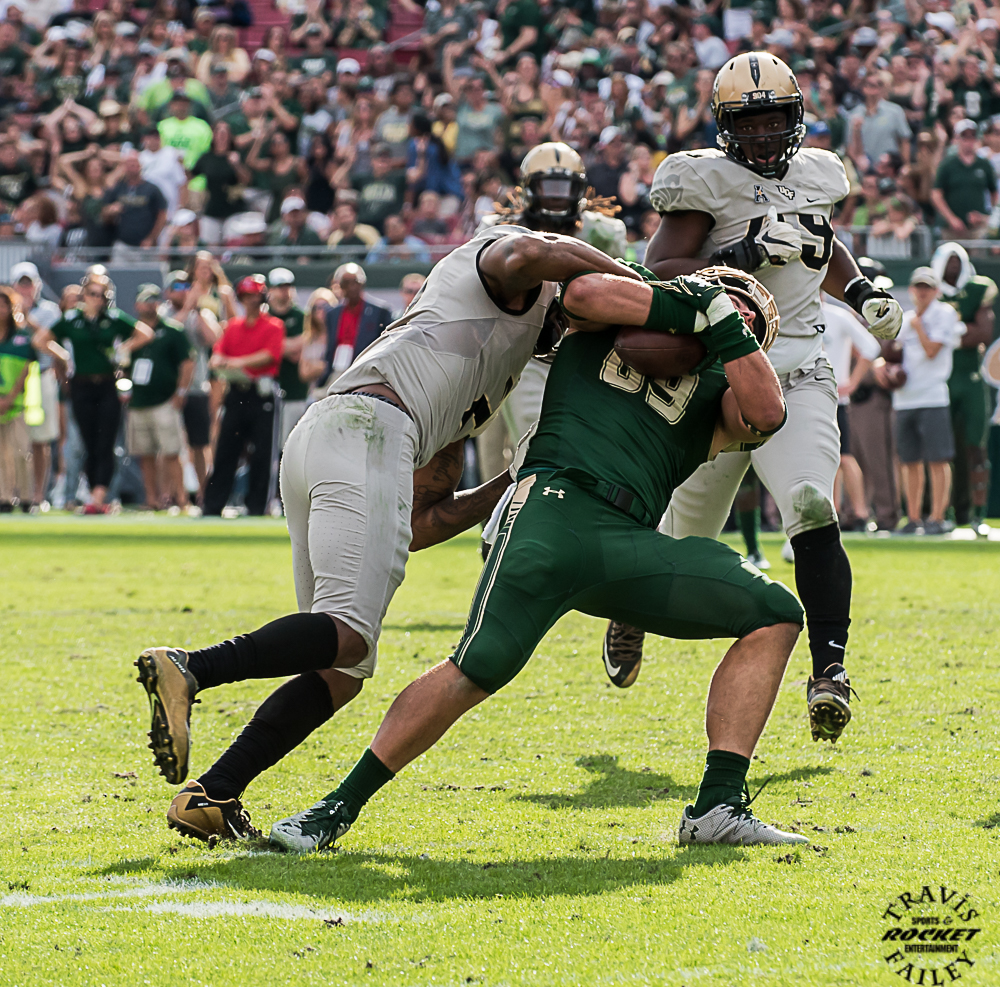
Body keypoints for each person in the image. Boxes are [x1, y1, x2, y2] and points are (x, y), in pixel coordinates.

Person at [268, 265, 808, 853]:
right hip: (551, 507)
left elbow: (767, 414)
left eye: (753, 321)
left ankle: (718, 807)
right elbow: (582, 292)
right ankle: (334, 807)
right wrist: (689, 307)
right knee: (477, 666)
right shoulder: (623, 307)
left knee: (774, 612)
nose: (740, 311)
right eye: (732, 297)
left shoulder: (726, 386)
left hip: (630, 538)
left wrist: (725, 324)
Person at [136, 226, 637, 841]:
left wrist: (510, 481)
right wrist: (637, 283)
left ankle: (212, 795)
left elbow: (420, 521)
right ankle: (191, 667)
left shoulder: (497, 363)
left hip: (339, 433)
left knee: (341, 666)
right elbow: (533, 250)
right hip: (371, 428)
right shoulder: (513, 277)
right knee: (347, 634)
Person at [605, 52, 903, 745]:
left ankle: (829, 669)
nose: (765, 134)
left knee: (811, 501)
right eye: (750, 123)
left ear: (795, 118)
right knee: (684, 538)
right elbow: (660, 269)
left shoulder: (817, 174)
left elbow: (820, 244)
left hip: (799, 367)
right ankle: (632, 607)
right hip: (723, 376)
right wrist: (739, 253)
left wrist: (861, 292)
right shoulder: (704, 181)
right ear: (725, 126)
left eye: (775, 120)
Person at [35, 272, 154, 513]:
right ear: (84, 295)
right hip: (81, 385)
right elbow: (40, 340)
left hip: (107, 384)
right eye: (92, 294)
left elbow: (145, 334)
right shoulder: (72, 319)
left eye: (102, 295)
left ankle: (99, 496)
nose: (97, 299)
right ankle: (93, 494)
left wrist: (124, 348)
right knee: (88, 442)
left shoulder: (113, 318)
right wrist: (62, 355)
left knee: (106, 442)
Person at [201, 275, 285, 518]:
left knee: (263, 453)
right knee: (226, 450)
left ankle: (258, 506)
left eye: (255, 296)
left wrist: (235, 362)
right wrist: (228, 363)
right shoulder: (233, 326)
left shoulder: (274, 325)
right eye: (246, 296)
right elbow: (216, 356)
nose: (251, 300)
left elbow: (269, 355)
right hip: (236, 392)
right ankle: (212, 505)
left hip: (262, 393)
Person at [931, 242, 996, 535]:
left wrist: (946, 335)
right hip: (940, 379)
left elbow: (984, 333)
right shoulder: (930, 290)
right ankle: (941, 512)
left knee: (976, 447)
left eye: (958, 261)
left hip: (969, 377)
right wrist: (959, 332)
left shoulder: (978, 289)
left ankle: (977, 514)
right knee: (940, 452)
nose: (954, 267)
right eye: (949, 262)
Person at [894, 267, 964, 536]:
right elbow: (892, 352)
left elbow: (933, 350)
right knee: (909, 461)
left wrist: (919, 327)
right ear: (912, 290)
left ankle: (937, 516)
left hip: (933, 396)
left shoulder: (943, 314)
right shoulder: (906, 317)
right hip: (904, 398)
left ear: (936, 291)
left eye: (927, 287)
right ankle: (913, 518)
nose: (922, 292)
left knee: (938, 459)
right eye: (918, 287)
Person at [128, 284, 195, 512]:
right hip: (139, 401)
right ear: (137, 304)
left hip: (165, 400)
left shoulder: (172, 330)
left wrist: (181, 392)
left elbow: (187, 363)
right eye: (146, 301)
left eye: (154, 300)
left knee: (171, 452)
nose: (150, 305)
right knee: (145, 454)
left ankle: (182, 500)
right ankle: (152, 500)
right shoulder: (131, 331)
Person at [819, 296, 881, 529]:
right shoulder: (797, 315)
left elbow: (871, 347)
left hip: (836, 400)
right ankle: (833, 511)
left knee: (843, 456)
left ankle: (861, 513)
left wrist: (852, 383)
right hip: (811, 399)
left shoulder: (838, 316)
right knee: (827, 458)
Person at [160, 269, 220, 507]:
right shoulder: (163, 313)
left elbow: (215, 339)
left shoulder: (201, 314)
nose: (184, 292)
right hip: (168, 389)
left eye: (187, 288)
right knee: (168, 446)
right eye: (178, 288)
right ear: (168, 292)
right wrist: (187, 309)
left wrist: (198, 310)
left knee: (200, 444)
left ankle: (204, 495)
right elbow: (169, 331)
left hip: (196, 388)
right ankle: (169, 496)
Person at [11, 262, 62, 509]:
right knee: (12, 439)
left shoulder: (50, 311)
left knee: (40, 440)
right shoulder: (4, 310)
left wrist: (25, 318)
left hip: (40, 376)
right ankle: (13, 491)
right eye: (21, 284)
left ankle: (38, 494)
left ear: (37, 285)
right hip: (11, 379)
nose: (25, 289)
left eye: (29, 284)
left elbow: (49, 342)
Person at [322, 263, 391, 381]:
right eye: (346, 283)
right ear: (340, 285)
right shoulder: (333, 313)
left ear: (362, 284)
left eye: (355, 282)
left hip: (366, 372)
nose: (351, 287)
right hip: (337, 370)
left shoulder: (379, 311)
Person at [931, 119, 998, 238]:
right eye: (965, 137)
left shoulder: (984, 164)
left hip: (977, 227)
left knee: (980, 248)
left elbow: (994, 193)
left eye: (972, 136)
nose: (969, 141)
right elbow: (936, 194)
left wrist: (987, 217)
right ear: (957, 139)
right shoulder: (947, 164)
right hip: (951, 228)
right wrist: (951, 218)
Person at [266, 267, 308, 450]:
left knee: (290, 445)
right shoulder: (264, 315)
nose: (285, 291)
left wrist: (271, 348)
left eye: (288, 286)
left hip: (295, 390)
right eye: (280, 286)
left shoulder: (301, 316)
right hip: (267, 391)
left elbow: (301, 350)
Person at [101, 150, 168, 261]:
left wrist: (151, 238)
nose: (132, 166)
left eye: (135, 163)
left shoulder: (152, 189)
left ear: (140, 166)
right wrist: (111, 211)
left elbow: (162, 215)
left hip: (145, 245)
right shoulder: (118, 188)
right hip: (122, 244)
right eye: (129, 164)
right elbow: (104, 211)